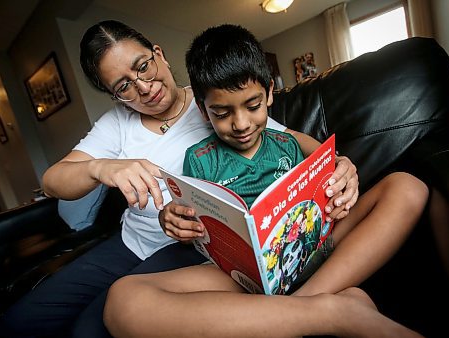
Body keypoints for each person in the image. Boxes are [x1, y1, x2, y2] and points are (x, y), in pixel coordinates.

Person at [0, 20, 360, 338]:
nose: (142, 87)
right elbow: (53, 180)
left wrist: (337, 162)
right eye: (123, 86)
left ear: (158, 54)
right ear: (114, 96)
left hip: (187, 247)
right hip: (129, 242)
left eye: (143, 66)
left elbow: (292, 139)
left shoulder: (214, 102)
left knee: (92, 328)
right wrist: (101, 167)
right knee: (21, 321)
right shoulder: (116, 124)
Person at [102, 24, 427, 338]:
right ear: (203, 111)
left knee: (408, 186)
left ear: (270, 93)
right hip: (243, 276)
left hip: (316, 246)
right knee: (122, 301)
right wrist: (174, 221)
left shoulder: (287, 144)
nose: (241, 123)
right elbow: (195, 228)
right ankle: (329, 310)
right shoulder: (199, 159)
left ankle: (299, 308)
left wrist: (337, 183)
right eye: (222, 112)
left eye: (253, 105)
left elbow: (322, 183)